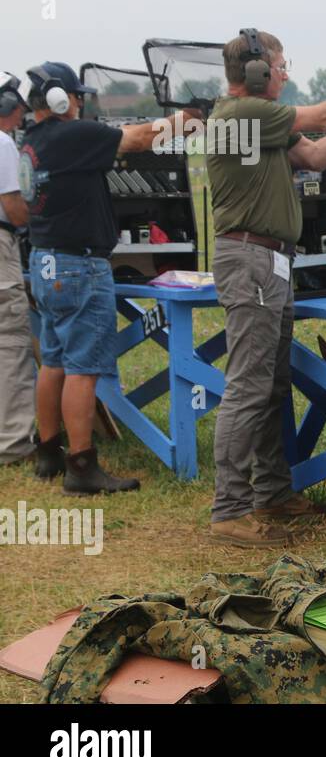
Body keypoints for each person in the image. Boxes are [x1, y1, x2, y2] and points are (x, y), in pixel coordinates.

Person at [206, 28, 326, 547]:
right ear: (255, 72)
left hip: (268, 259)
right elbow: (322, 118)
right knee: (248, 385)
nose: (285, 73)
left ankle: (271, 492)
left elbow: (315, 155)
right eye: (279, 65)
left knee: (270, 384)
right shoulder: (242, 114)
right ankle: (229, 508)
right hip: (250, 259)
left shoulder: (260, 122)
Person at [19, 62, 185, 493]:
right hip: (79, 267)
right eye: (75, 95)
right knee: (83, 369)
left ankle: (48, 452)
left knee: (54, 361)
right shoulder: (71, 135)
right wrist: (182, 121)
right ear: (58, 99)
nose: (79, 102)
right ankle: (81, 465)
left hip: (46, 263)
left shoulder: (33, 140)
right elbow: (139, 137)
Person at [0, 72, 36, 465]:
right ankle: (13, 444)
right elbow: (11, 203)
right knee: (9, 343)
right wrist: (35, 223)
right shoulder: (3, 142)